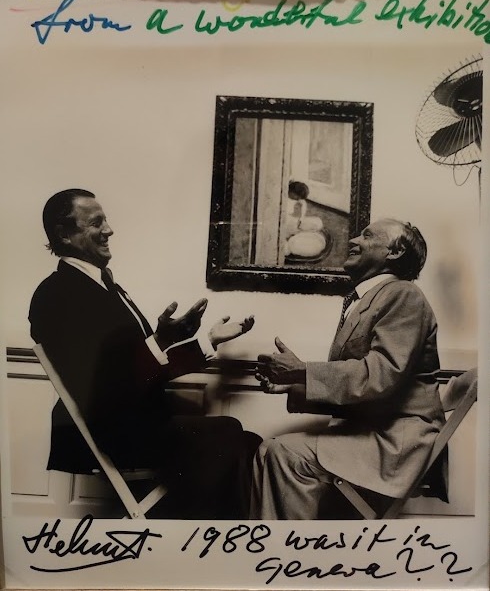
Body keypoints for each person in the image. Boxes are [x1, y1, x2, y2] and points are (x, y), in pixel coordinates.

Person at [29, 188, 258, 519]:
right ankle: (208, 539)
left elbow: (143, 370)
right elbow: (103, 386)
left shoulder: (105, 287)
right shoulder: (54, 296)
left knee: (249, 444)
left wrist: (206, 341)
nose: (109, 230)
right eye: (96, 223)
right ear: (64, 234)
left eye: (106, 220)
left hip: (138, 423)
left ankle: (215, 537)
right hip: (113, 432)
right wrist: (160, 339)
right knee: (227, 433)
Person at [251, 218, 446, 520]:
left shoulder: (404, 294)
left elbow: (381, 376)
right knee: (269, 451)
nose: (353, 240)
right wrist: (294, 384)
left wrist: (302, 372)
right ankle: (277, 546)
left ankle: (288, 548)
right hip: (376, 433)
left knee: (284, 454)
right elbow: (366, 387)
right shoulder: (370, 298)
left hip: (398, 445)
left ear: (395, 252)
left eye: (367, 236)